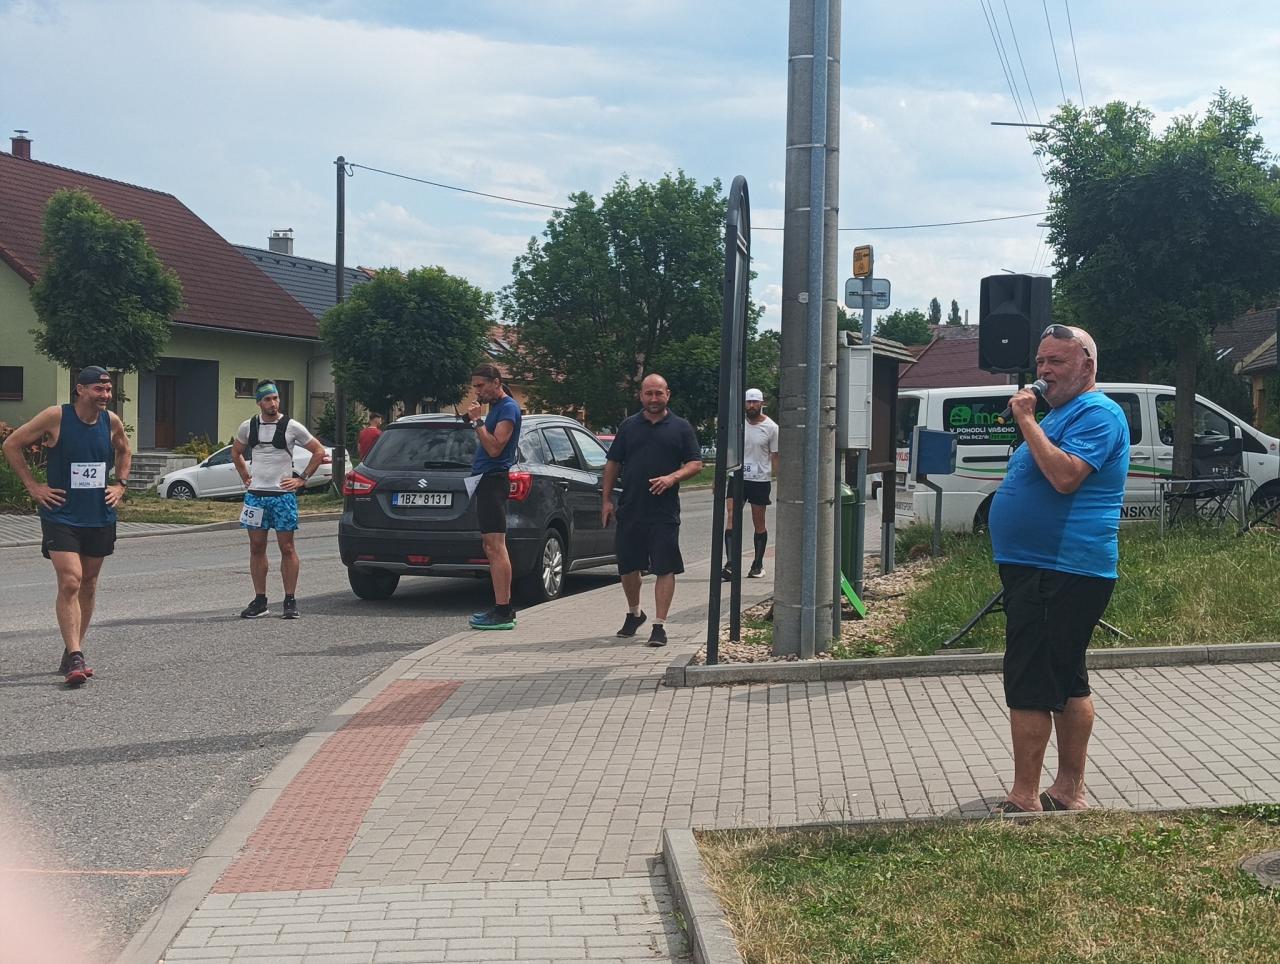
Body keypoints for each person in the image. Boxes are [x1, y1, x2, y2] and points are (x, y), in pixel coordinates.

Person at [988, 325, 1129, 813]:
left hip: (1061, 568)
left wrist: (1027, 420)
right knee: (1067, 680)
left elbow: (1066, 476)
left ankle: (1024, 797)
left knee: (1029, 681)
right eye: (1040, 362)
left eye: (1057, 362)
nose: (1044, 372)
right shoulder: (1063, 413)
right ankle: (1068, 790)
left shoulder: (1098, 413)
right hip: (1040, 567)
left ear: (1087, 365)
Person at [1, 366, 131, 686]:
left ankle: (73, 647)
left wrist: (120, 485)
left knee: (89, 583)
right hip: (61, 514)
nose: (105, 395)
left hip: (98, 514)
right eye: (99, 389)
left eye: (108, 390)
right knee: (71, 580)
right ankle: (76, 656)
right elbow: (11, 444)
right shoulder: (56, 416)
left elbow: (124, 450)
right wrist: (33, 486)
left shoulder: (111, 421)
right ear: (80, 389)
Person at [602, 374, 703, 647]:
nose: (654, 398)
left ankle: (659, 625)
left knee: (665, 567)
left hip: (664, 512)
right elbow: (612, 463)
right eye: (649, 393)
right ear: (641, 396)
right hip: (631, 508)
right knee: (628, 567)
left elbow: (695, 463)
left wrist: (672, 478)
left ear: (668, 394)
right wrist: (606, 500)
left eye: (659, 393)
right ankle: (635, 613)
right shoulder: (629, 427)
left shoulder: (681, 428)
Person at [232, 379, 327, 619]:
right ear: (259, 402)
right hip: (256, 497)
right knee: (256, 547)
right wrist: (245, 476)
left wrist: (302, 478)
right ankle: (260, 600)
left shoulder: (291, 426)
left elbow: (318, 451)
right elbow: (236, 452)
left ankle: (290, 600)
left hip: (282, 497)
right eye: (267, 399)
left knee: (287, 547)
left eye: (275, 398)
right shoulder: (248, 426)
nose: (273, 403)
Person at [467, 364, 522, 630]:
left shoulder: (508, 408)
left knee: (496, 546)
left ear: (496, 382)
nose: (477, 391)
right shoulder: (497, 408)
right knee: (490, 545)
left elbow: (494, 448)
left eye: (480, 385)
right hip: (485, 480)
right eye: (475, 386)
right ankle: (501, 607)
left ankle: (503, 611)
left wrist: (477, 422)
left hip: (494, 479)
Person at [721, 387, 780, 581]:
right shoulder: (737, 425)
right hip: (737, 476)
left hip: (759, 479)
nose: (752, 405)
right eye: (748, 402)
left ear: (762, 403)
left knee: (758, 521)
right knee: (732, 516)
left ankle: (757, 564)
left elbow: (775, 456)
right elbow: (728, 451)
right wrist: (718, 477)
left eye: (755, 402)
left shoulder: (772, 428)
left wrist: (780, 479)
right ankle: (730, 564)